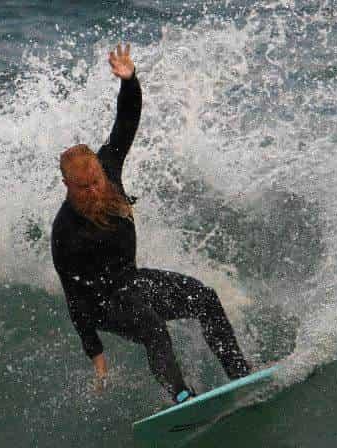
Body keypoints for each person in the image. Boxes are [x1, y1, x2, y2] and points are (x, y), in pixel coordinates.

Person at [51, 44, 252, 405]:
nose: (96, 189)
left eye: (97, 179)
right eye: (86, 187)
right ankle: (181, 397)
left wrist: (129, 82)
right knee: (152, 327)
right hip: (101, 303)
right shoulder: (66, 233)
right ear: (68, 186)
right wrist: (95, 354)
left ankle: (241, 375)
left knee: (204, 298)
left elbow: (126, 121)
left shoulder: (108, 168)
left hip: (131, 281)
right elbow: (74, 299)